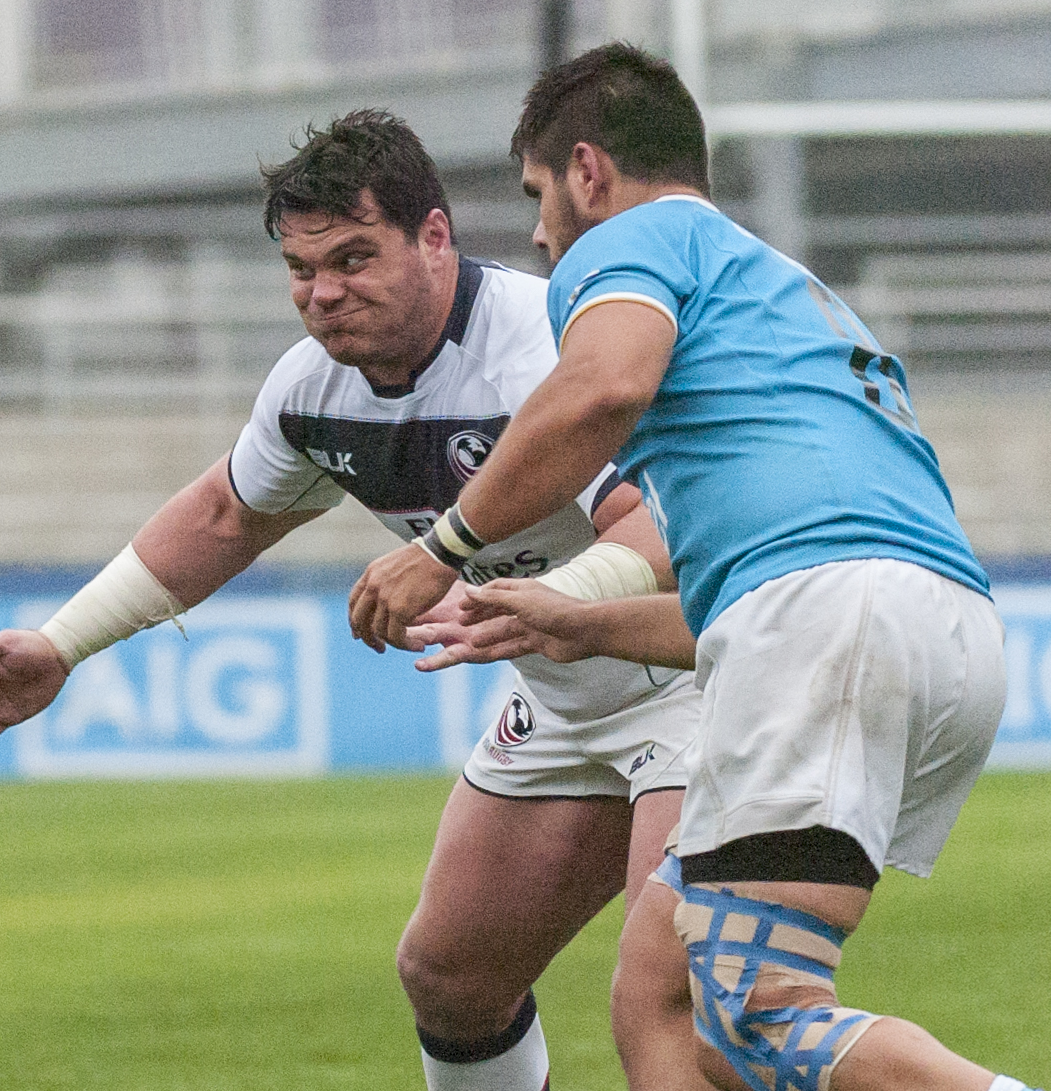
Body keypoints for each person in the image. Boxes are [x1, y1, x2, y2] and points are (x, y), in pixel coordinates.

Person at [0, 110, 698, 1091]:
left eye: (352, 258)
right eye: (301, 268)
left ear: (433, 236)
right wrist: (60, 643)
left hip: (692, 681)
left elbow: (664, 535)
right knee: (449, 975)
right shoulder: (310, 389)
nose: (323, 293)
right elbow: (222, 515)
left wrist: (540, 599)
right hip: (563, 702)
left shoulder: (539, 349)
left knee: (669, 999)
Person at [347, 43, 1040, 1091]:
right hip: (929, 625)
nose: (539, 233)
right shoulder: (781, 292)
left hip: (830, 620)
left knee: (759, 1015)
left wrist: (440, 548)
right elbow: (741, 608)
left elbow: (601, 387)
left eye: (539, 195)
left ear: (588, 170)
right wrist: (575, 620)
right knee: (671, 1003)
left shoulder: (635, 237)